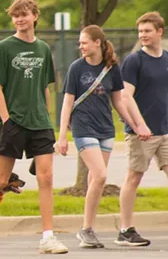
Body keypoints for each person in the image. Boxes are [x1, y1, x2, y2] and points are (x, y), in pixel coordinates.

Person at [0, 0, 68, 254]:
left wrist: (47, 118)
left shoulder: (44, 49)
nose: (20, 19)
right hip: (12, 122)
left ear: (35, 16)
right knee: (1, 179)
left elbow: (45, 88)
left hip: (39, 123)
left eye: (24, 14)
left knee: (46, 177)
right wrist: (6, 121)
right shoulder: (4, 48)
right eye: (15, 16)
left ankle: (48, 237)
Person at [56, 25, 139, 248]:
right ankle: (86, 229)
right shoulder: (76, 68)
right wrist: (62, 135)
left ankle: (87, 229)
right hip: (83, 129)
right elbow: (67, 102)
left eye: (84, 42)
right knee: (101, 175)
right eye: (80, 43)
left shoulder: (112, 68)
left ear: (97, 43)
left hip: (106, 130)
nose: (80, 46)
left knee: (96, 181)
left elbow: (118, 101)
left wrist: (133, 125)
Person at [117, 11, 167, 247]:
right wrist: (139, 125)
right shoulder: (134, 60)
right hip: (141, 133)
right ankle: (125, 230)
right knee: (134, 178)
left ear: (160, 32)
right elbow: (126, 96)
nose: (143, 35)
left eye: (147, 31)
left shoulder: (167, 58)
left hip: (165, 131)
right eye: (140, 32)